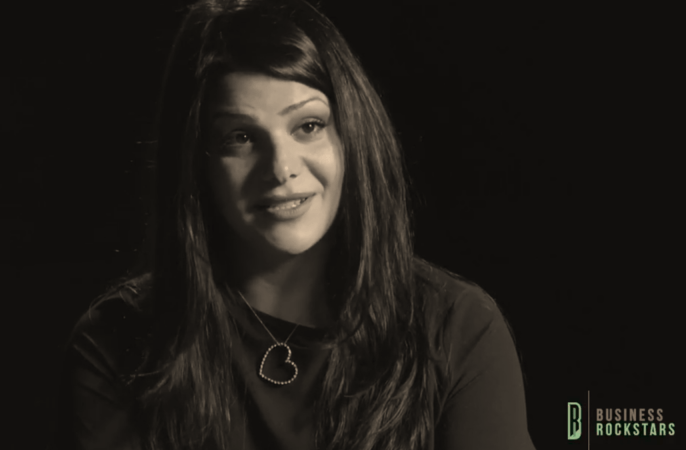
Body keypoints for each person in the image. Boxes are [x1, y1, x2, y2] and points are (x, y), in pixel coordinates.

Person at [54, 0, 536, 449]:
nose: (281, 169)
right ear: (196, 163)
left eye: (308, 126)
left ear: (353, 136)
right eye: (241, 137)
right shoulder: (116, 341)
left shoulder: (457, 328)